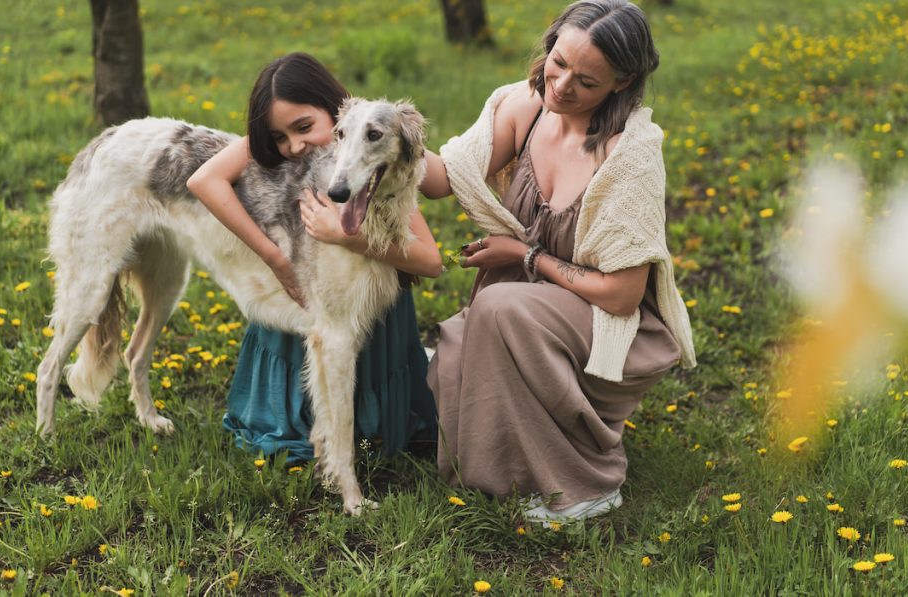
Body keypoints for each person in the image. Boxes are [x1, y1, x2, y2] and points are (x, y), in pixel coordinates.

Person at [420, 0, 696, 524]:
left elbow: (621, 293)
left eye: (586, 81)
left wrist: (525, 256)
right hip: (531, 312)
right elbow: (442, 179)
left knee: (501, 308)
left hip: (605, 323)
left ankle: (585, 484)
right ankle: (511, 471)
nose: (562, 85)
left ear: (622, 81)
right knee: (455, 361)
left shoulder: (628, 155)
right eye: (559, 61)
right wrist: (378, 139)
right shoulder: (525, 107)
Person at [186, 52, 441, 463]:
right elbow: (203, 180)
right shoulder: (289, 157)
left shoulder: (376, 166)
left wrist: (344, 237)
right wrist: (274, 258)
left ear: (334, 109)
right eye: (279, 137)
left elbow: (431, 260)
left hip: (370, 319)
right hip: (308, 312)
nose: (294, 146)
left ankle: (365, 429)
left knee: (377, 442)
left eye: (304, 127)